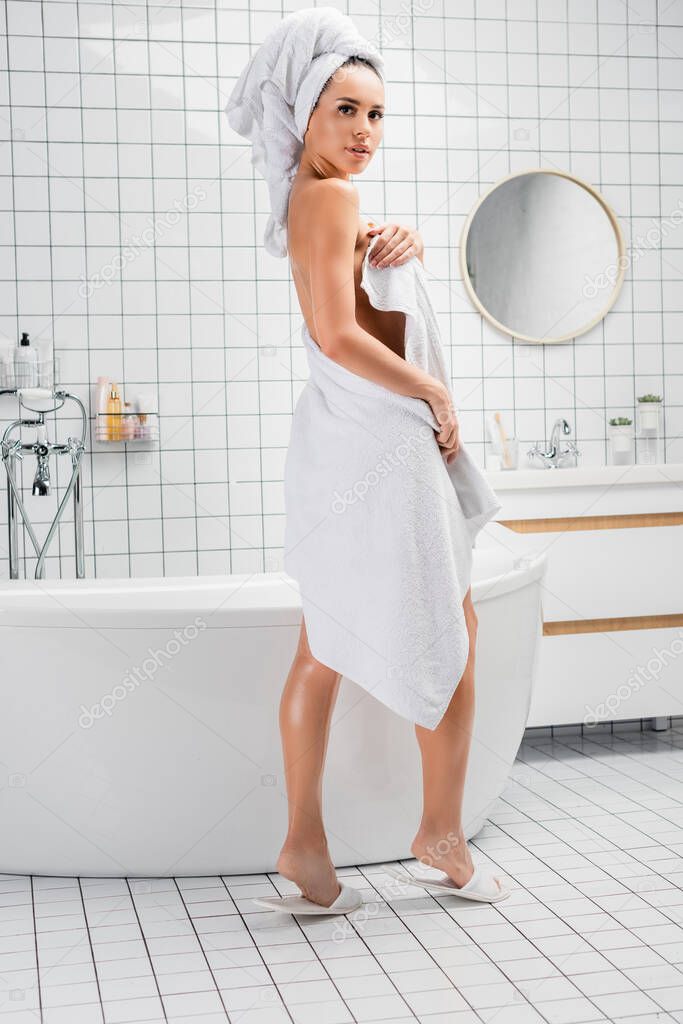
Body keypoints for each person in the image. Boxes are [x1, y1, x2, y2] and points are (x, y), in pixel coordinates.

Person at [225, 8, 507, 915]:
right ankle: (441, 832)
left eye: (378, 116)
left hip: (338, 446)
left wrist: (399, 244)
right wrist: (434, 391)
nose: (363, 132)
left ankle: (306, 847)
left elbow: (346, 298)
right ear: (306, 113)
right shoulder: (332, 197)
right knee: (451, 627)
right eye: (345, 110)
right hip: (380, 444)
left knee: (324, 642)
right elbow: (337, 333)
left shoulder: (315, 200)